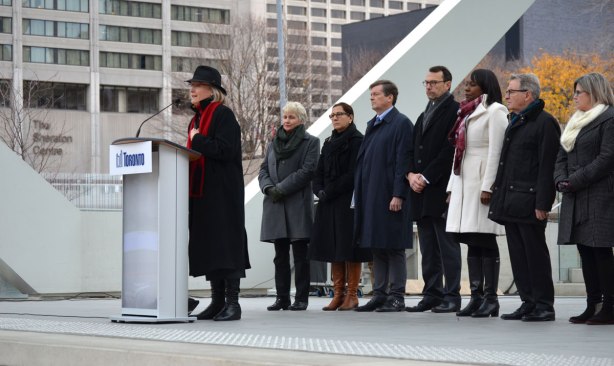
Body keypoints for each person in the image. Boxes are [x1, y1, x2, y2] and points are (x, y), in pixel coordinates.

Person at [488, 73, 560, 322]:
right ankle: (527, 302)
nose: (506, 95)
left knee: (535, 255)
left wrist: (543, 203)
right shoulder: (516, 121)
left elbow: (547, 166)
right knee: (519, 255)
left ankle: (544, 305)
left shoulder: (545, 122)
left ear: (527, 95)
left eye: (511, 91)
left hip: (530, 203)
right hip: (511, 200)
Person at [185, 65, 250, 321]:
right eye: (192, 85)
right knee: (211, 247)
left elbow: (226, 150)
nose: (192, 89)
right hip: (203, 195)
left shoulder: (223, 115)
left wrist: (197, 139)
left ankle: (233, 304)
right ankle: (217, 301)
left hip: (223, 194)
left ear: (211, 90)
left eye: (197, 85)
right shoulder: (196, 119)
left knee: (226, 246)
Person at [445, 69, 508, 318]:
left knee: (484, 238)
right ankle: (476, 296)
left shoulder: (496, 112)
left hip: (481, 181)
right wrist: (451, 187)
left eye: (472, 84)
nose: (466, 88)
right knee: (471, 239)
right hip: (464, 181)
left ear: (485, 86)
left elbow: (497, 151)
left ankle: (491, 299)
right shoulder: (466, 111)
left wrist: (488, 186)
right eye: (467, 84)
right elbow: (458, 152)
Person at [554, 72, 614, 325]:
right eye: (575, 92)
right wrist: (560, 179)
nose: (575, 96)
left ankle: (610, 307)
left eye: (579, 92)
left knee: (600, 250)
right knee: (584, 250)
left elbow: (607, 158)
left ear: (595, 93)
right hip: (576, 195)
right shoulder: (575, 121)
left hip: (600, 195)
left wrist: (574, 180)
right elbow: (561, 156)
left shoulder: (609, 119)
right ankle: (593, 304)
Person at [354, 80, 413, 312]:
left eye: (376, 94)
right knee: (377, 245)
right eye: (371, 94)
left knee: (394, 246)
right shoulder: (373, 124)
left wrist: (398, 193)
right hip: (371, 195)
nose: (372, 98)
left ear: (390, 98)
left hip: (390, 195)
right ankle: (379, 294)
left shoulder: (401, 123)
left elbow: (402, 161)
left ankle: (396, 295)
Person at [406, 66, 461, 314]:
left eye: (434, 82)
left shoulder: (455, 111)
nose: (429, 86)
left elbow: (449, 151)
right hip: (421, 191)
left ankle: (452, 295)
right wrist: (411, 175)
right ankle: (432, 293)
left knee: (446, 246)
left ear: (447, 84)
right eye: (426, 82)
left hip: (441, 189)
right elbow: (412, 150)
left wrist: (426, 177)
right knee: (427, 247)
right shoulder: (423, 114)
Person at [309, 102, 371, 311]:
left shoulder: (357, 141)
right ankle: (338, 294)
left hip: (347, 202)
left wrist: (331, 190)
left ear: (350, 117)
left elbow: (354, 173)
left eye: (339, 115)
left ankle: (352, 295)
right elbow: (318, 172)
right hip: (327, 201)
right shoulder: (328, 142)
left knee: (349, 248)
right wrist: (318, 190)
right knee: (332, 247)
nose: (334, 118)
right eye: (332, 115)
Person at [259, 102, 320, 311]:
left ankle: (301, 298)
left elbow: (307, 171)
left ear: (301, 120)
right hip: (274, 204)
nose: (286, 121)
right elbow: (263, 169)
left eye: (291, 117)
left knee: (301, 256)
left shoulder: (311, 142)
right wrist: (268, 188)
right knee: (280, 256)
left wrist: (281, 189)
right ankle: (282, 297)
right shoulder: (273, 142)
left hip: (296, 205)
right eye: (285, 117)